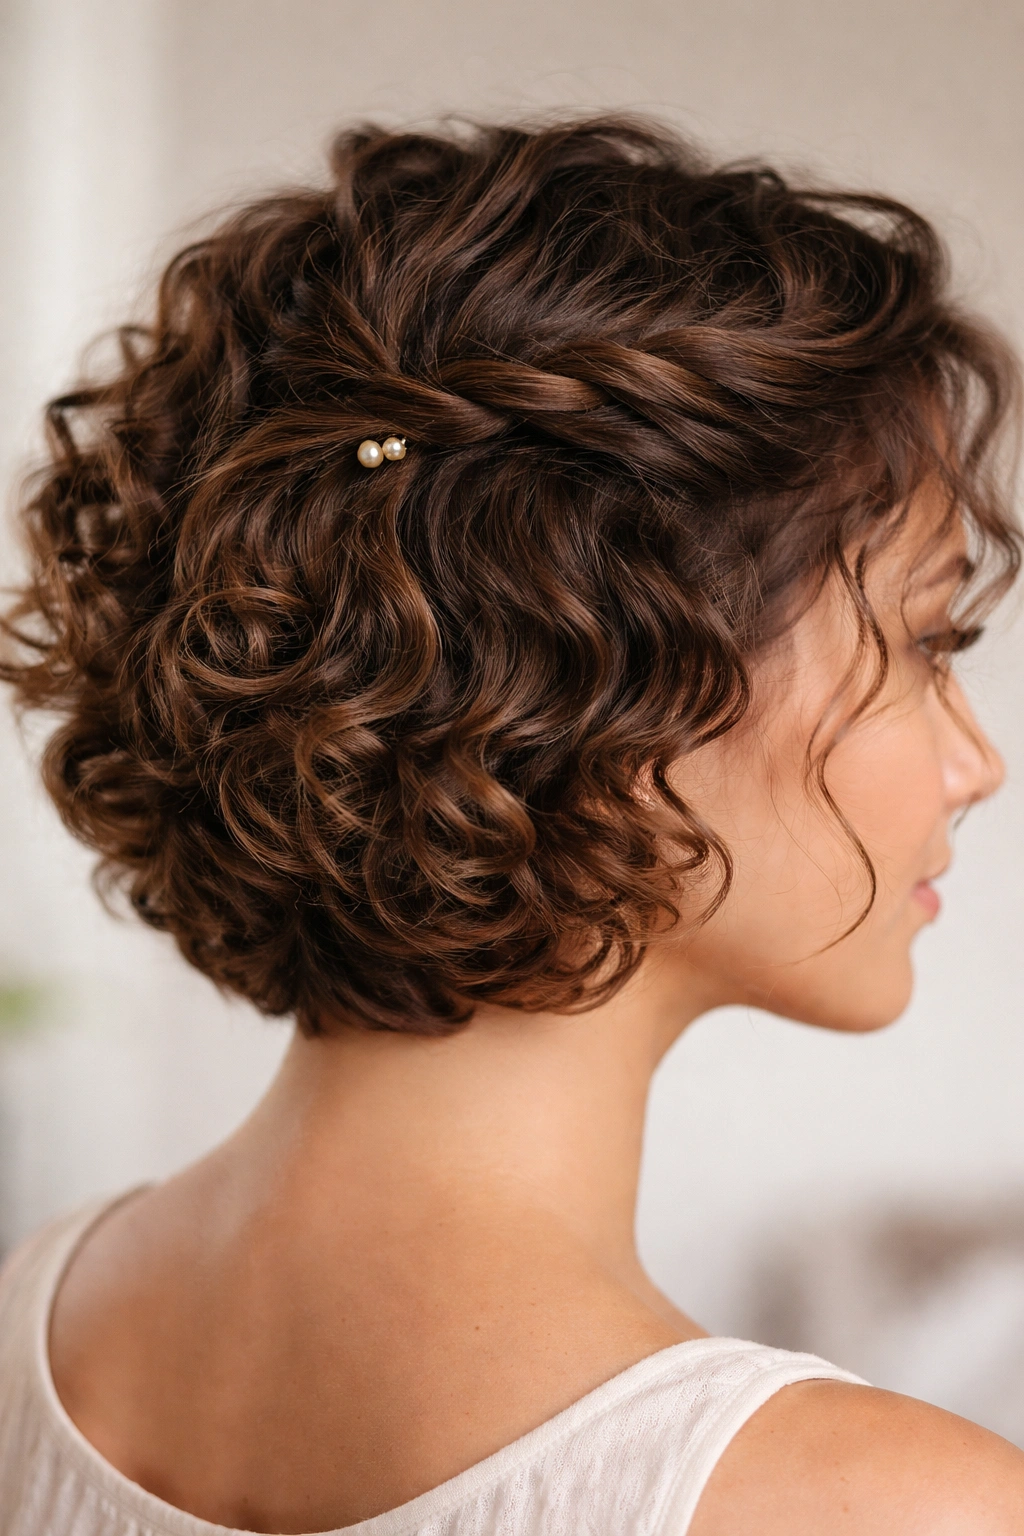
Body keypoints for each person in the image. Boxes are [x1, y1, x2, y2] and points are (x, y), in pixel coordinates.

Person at [0, 114, 1022, 1535]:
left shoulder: (25, 1327)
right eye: (924, 640)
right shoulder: (892, 1509)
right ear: (617, 669)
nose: (976, 763)